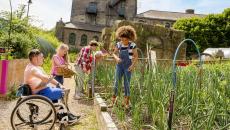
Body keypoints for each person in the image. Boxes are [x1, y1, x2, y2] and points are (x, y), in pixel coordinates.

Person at [23, 49, 80, 123]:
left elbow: (47, 78)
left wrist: (58, 84)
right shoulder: (33, 69)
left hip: (41, 90)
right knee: (64, 92)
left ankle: (63, 115)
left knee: (58, 91)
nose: (43, 59)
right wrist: (50, 79)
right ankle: (66, 116)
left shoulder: (33, 66)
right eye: (41, 57)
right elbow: (45, 78)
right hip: (40, 92)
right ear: (35, 58)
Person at [110, 25, 138, 109]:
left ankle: (126, 103)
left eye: (125, 39)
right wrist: (117, 58)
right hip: (119, 66)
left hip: (128, 67)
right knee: (116, 83)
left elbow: (136, 56)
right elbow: (114, 53)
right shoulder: (119, 44)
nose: (123, 40)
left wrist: (132, 66)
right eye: (122, 38)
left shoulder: (132, 45)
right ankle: (113, 102)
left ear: (129, 37)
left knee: (127, 84)